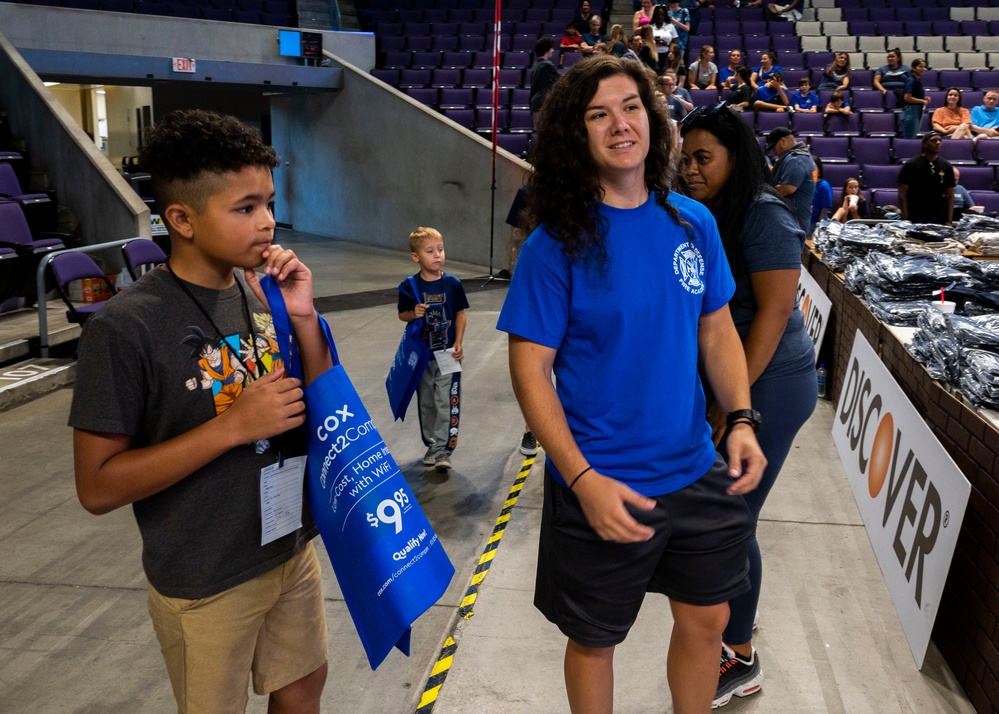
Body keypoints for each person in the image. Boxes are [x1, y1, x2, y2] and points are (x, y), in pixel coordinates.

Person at [497, 55, 765, 714]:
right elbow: (529, 370)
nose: (619, 124)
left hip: (696, 470)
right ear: (576, 134)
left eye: (630, 107)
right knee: (595, 641)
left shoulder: (690, 223)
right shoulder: (555, 243)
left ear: (653, 117)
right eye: (598, 114)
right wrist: (581, 480)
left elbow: (715, 330)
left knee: (706, 626)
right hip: (603, 479)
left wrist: (738, 418)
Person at [70, 109, 332, 713]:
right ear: (182, 219)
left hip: (289, 549)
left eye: (269, 202)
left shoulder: (264, 290)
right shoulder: (126, 327)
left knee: (303, 688)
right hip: (205, 578)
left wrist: (302, 319)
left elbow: (319, 397)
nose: (267, 223)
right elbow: (97, 486)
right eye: (245, 208)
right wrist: (231, 428)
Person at [679, 101, 816, 710]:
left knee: (735, 517)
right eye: (684, 158)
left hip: (774, 384)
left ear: (737, 156)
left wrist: (734, 408)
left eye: (703, 157)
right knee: (729, 513)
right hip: (736, 381)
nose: (690, 169)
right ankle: (734, 631)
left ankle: (738, 655)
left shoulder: (764, 214)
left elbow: (775, 313)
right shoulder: (707, 211)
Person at [397, 226, 469, 472]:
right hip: (422, 357)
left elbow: (460, 314)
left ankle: (443, 450)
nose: (438, 255)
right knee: (426, 401)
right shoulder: (409, 287)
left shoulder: (452, 284)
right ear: (416, 257)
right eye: (430, 251)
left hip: (448, 354)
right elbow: (401, 314)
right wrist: (412, 314)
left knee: (446, 401)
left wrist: (458, 341)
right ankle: (431, 444)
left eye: (440, 249)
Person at [898, 132, 955, 225]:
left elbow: (950, 195)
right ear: (924, 144)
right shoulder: (911, 164)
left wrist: (949, 219)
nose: (938, 143)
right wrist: (905, 216)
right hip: (915, 215)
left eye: (940, 140)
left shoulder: (946, 166)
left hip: (938, 216)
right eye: (933, 141)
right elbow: (902, 193)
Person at [766, 126, 816, 232]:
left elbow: (787, 188)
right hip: (794, 218)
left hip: (793, 221)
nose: (774, 151)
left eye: (774, 146)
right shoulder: (799, 157)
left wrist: (764, 191)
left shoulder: (796, 159)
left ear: (782, 141)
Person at [530, 38, 560, 123]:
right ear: (547, 49)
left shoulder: (536, 64)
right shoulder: (547, 65)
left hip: (536, 102)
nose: (553, 50)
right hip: (542, 103)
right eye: (552, 48)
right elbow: (562, 79)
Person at [901, 58, 930, 140]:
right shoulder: (911, 80)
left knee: (913, 136)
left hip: (917, 110)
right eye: (920, 67)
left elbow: (915, 95)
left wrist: (924, 98)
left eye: (924, 67)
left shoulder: (917, 80)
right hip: (911, 111)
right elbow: (907, 98)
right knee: (909, 137)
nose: (923, 69)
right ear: (913, 68)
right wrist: (922, 101)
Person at [651, 5, 678, 73]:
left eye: (662, 15)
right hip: (652, 55)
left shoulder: (670, 26)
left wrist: (666, 43)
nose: (660, 17)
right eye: (658, 15)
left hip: (666, 55)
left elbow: (675, 44)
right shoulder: (650, 27)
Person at [810, 156, 833, 234]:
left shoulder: (824, 186)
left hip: (816, 224)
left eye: (813, 167)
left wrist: (817, 230)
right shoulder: (801, 184)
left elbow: (824, 211)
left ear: (819, 170)